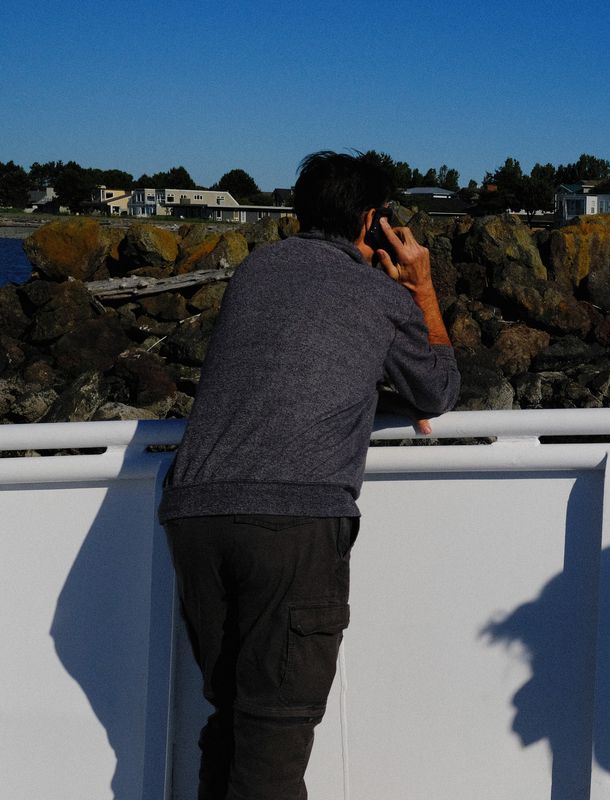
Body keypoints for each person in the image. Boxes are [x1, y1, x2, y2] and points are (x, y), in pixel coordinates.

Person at [158, 150, 459, 799]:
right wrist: (420, 288)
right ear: (375, 221)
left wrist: (358, 394)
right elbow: (437, 390)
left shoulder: (256, 270)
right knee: (272, 743)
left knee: (234, 724)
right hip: (289, 525)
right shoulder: (380, 295)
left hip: (194, 509)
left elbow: (285, 371)